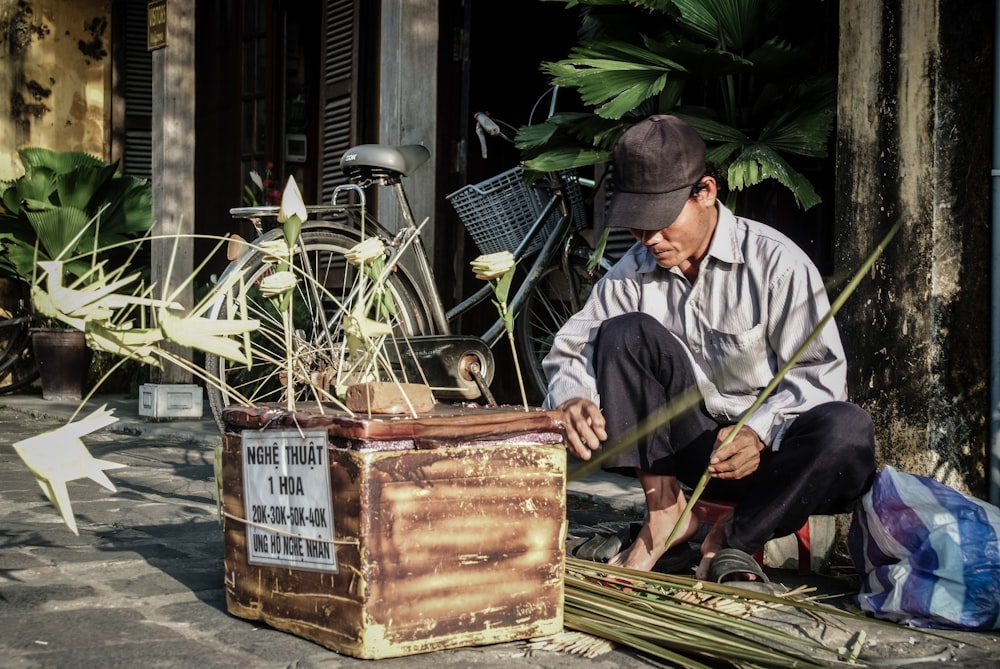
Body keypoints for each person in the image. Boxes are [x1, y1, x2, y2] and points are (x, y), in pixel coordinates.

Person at [544, 114, 876, 583]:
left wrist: (758, 431)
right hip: (690, 450)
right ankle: (667, 517)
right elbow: (572, 347)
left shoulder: (776, 264)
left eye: (660, 222)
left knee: (847, 429)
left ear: (705, 192)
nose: (649, 239)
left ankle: (732, 539)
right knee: (623, 332)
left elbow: (819, 378)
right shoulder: (632, 271)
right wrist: (573, 396)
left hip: (772, 462)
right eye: (638, 226)